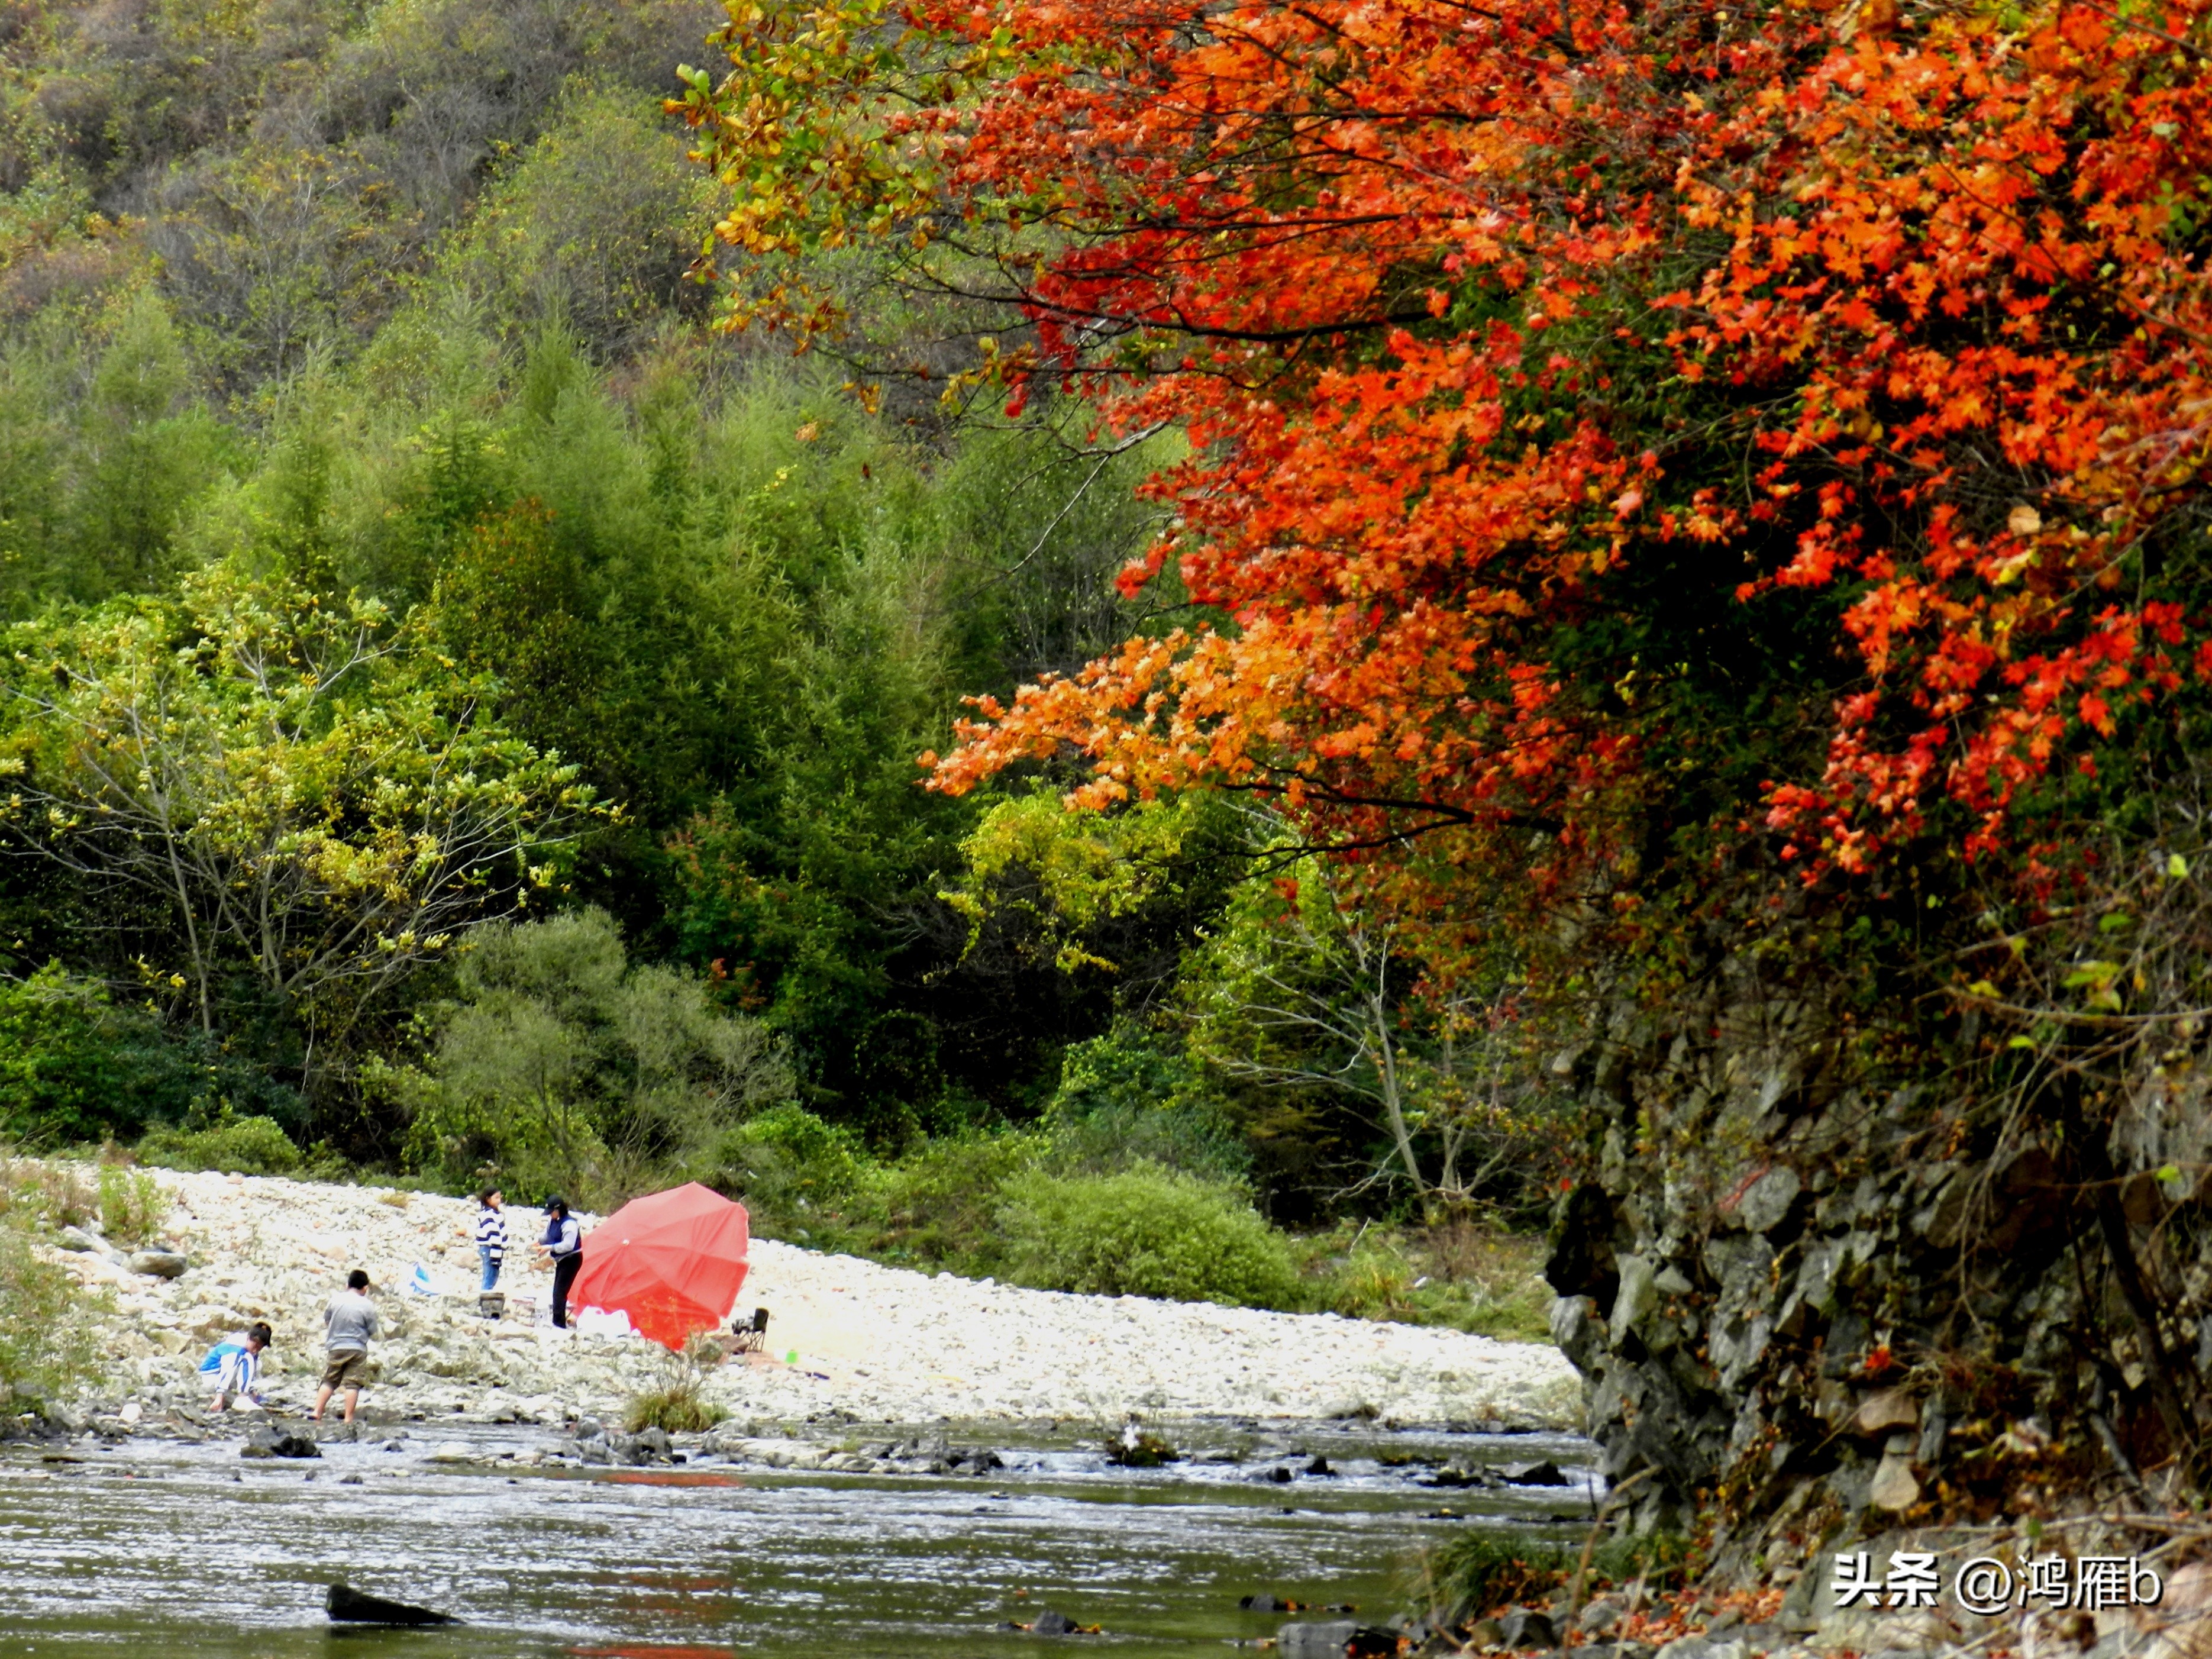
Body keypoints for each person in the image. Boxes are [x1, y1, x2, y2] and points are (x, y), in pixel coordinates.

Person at [311, 1269, 378, 1422]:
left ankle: (317, 1411)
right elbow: (372, 1330)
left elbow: (327, 1319)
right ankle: (348, 1418)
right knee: (352, 1384)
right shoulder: (367, 1305)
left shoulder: (335, 1300)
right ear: (365, 1288)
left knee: (329, 1380)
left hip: (336, 1346)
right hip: (357, 1349)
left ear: (347, 1284)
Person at [201, 1322, 273, 1413]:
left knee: (252, 1360)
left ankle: (244, 1396)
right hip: (212, 1377)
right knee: (247, 1358)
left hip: (224, 1379)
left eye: (259, 1348)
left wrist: (253, 1392)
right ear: (250, 1339)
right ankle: (242, 1399)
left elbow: (250, 1372)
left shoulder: (249, 1350)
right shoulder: (236, 1349)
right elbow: (228, 1370)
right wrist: (220, 1396)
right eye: (255, 1346)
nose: (256, 1350)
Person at [534, 1199, 583, 1329]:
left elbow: (568, 1245)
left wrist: (549, 1248)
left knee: (559, 1292)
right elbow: (547, 1235)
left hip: (572, 1259)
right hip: (561, 1260)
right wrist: (540, 1242)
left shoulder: (569, 1224)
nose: (550, 1215)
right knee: (557, 1291)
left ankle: (559, 1323)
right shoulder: (554, 1221)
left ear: (558, 1210)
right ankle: (558, 1321)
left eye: (552, 1212)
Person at [473, 1188, 508, 1292]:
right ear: (488, 1199)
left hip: (495, 1248)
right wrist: (498, 1246)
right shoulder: (487, 1214)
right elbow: (492, 1232)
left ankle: (487, 1295)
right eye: (496, 1198)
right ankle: (484, 1297)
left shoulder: (496, 1214)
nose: (499, 1200)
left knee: (493, 1275)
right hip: (490, 1248)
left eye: (500, 1198)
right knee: (489, 1275)